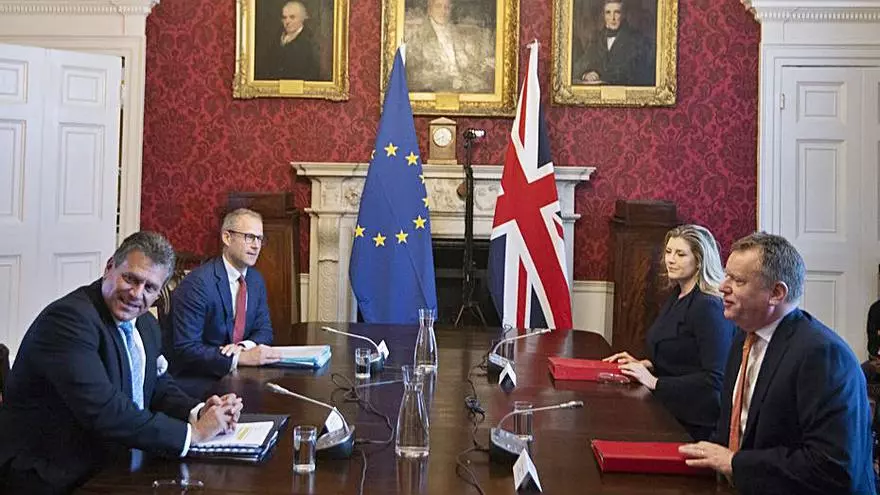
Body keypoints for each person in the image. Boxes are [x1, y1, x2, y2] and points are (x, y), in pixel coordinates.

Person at [0, 232, 243, 493]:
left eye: (149, 288)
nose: (136, 294)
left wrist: (198, 412)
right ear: (109, 268)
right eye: (131, 279)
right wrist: (192, 435)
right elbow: (104, 411)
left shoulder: (146, 324)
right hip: (51, 473)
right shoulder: (68, 321)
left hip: (110, 461)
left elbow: (157, 387)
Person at [680, 232, 876, 494]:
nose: (722, 287)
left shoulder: (822, 354)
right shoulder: (743, 338)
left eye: (738, 280)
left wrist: (735, 463)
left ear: (776, 293)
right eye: (727, 276)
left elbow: (833, 467)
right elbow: (735, 433)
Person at [603, 225, 735, 441]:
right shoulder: (677, 295)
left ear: (699, 260)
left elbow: (715, 378)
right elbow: (683, 357)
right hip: (669, 407)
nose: (670, 260)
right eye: (668, 252)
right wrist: (646, 364)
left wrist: (654, 382)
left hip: (696, 421)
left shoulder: (708, 306)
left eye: (680, 254)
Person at [169, 208, 280, 385]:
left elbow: (264, 331)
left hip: (240, 375)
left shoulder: (255, 280)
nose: (256, 245)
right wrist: (238, 358)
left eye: (260, 239)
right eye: (249, 237)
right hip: (199, 379)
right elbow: (186, 348)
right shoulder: (197, 284)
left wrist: (242, 348)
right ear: (227, 238)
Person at [405, 0, 496, 93]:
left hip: (463, 86)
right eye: (438, 6)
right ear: (429, 9)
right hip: (436, 90)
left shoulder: (454, 31)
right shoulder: (418, 34)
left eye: (447, 7)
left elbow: (464, 62)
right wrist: (449, 81)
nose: (443, 11)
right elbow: (414, 75)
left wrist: (483, 63)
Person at [574, 0, 655, 86]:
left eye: (617, 12)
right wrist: (585, 75)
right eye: (608, 12)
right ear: (604, 15)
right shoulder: (597, 40)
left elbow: (641, 76)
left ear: (623, 15)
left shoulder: (637, 40)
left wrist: (602, 77)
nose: (612, 18)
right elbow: (577, 67)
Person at [256, 1, 320, 81]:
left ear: (302, 18)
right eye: (284, 17)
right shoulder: (276, 38)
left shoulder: (309, 42)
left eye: (292, 17)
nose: (287, 22)